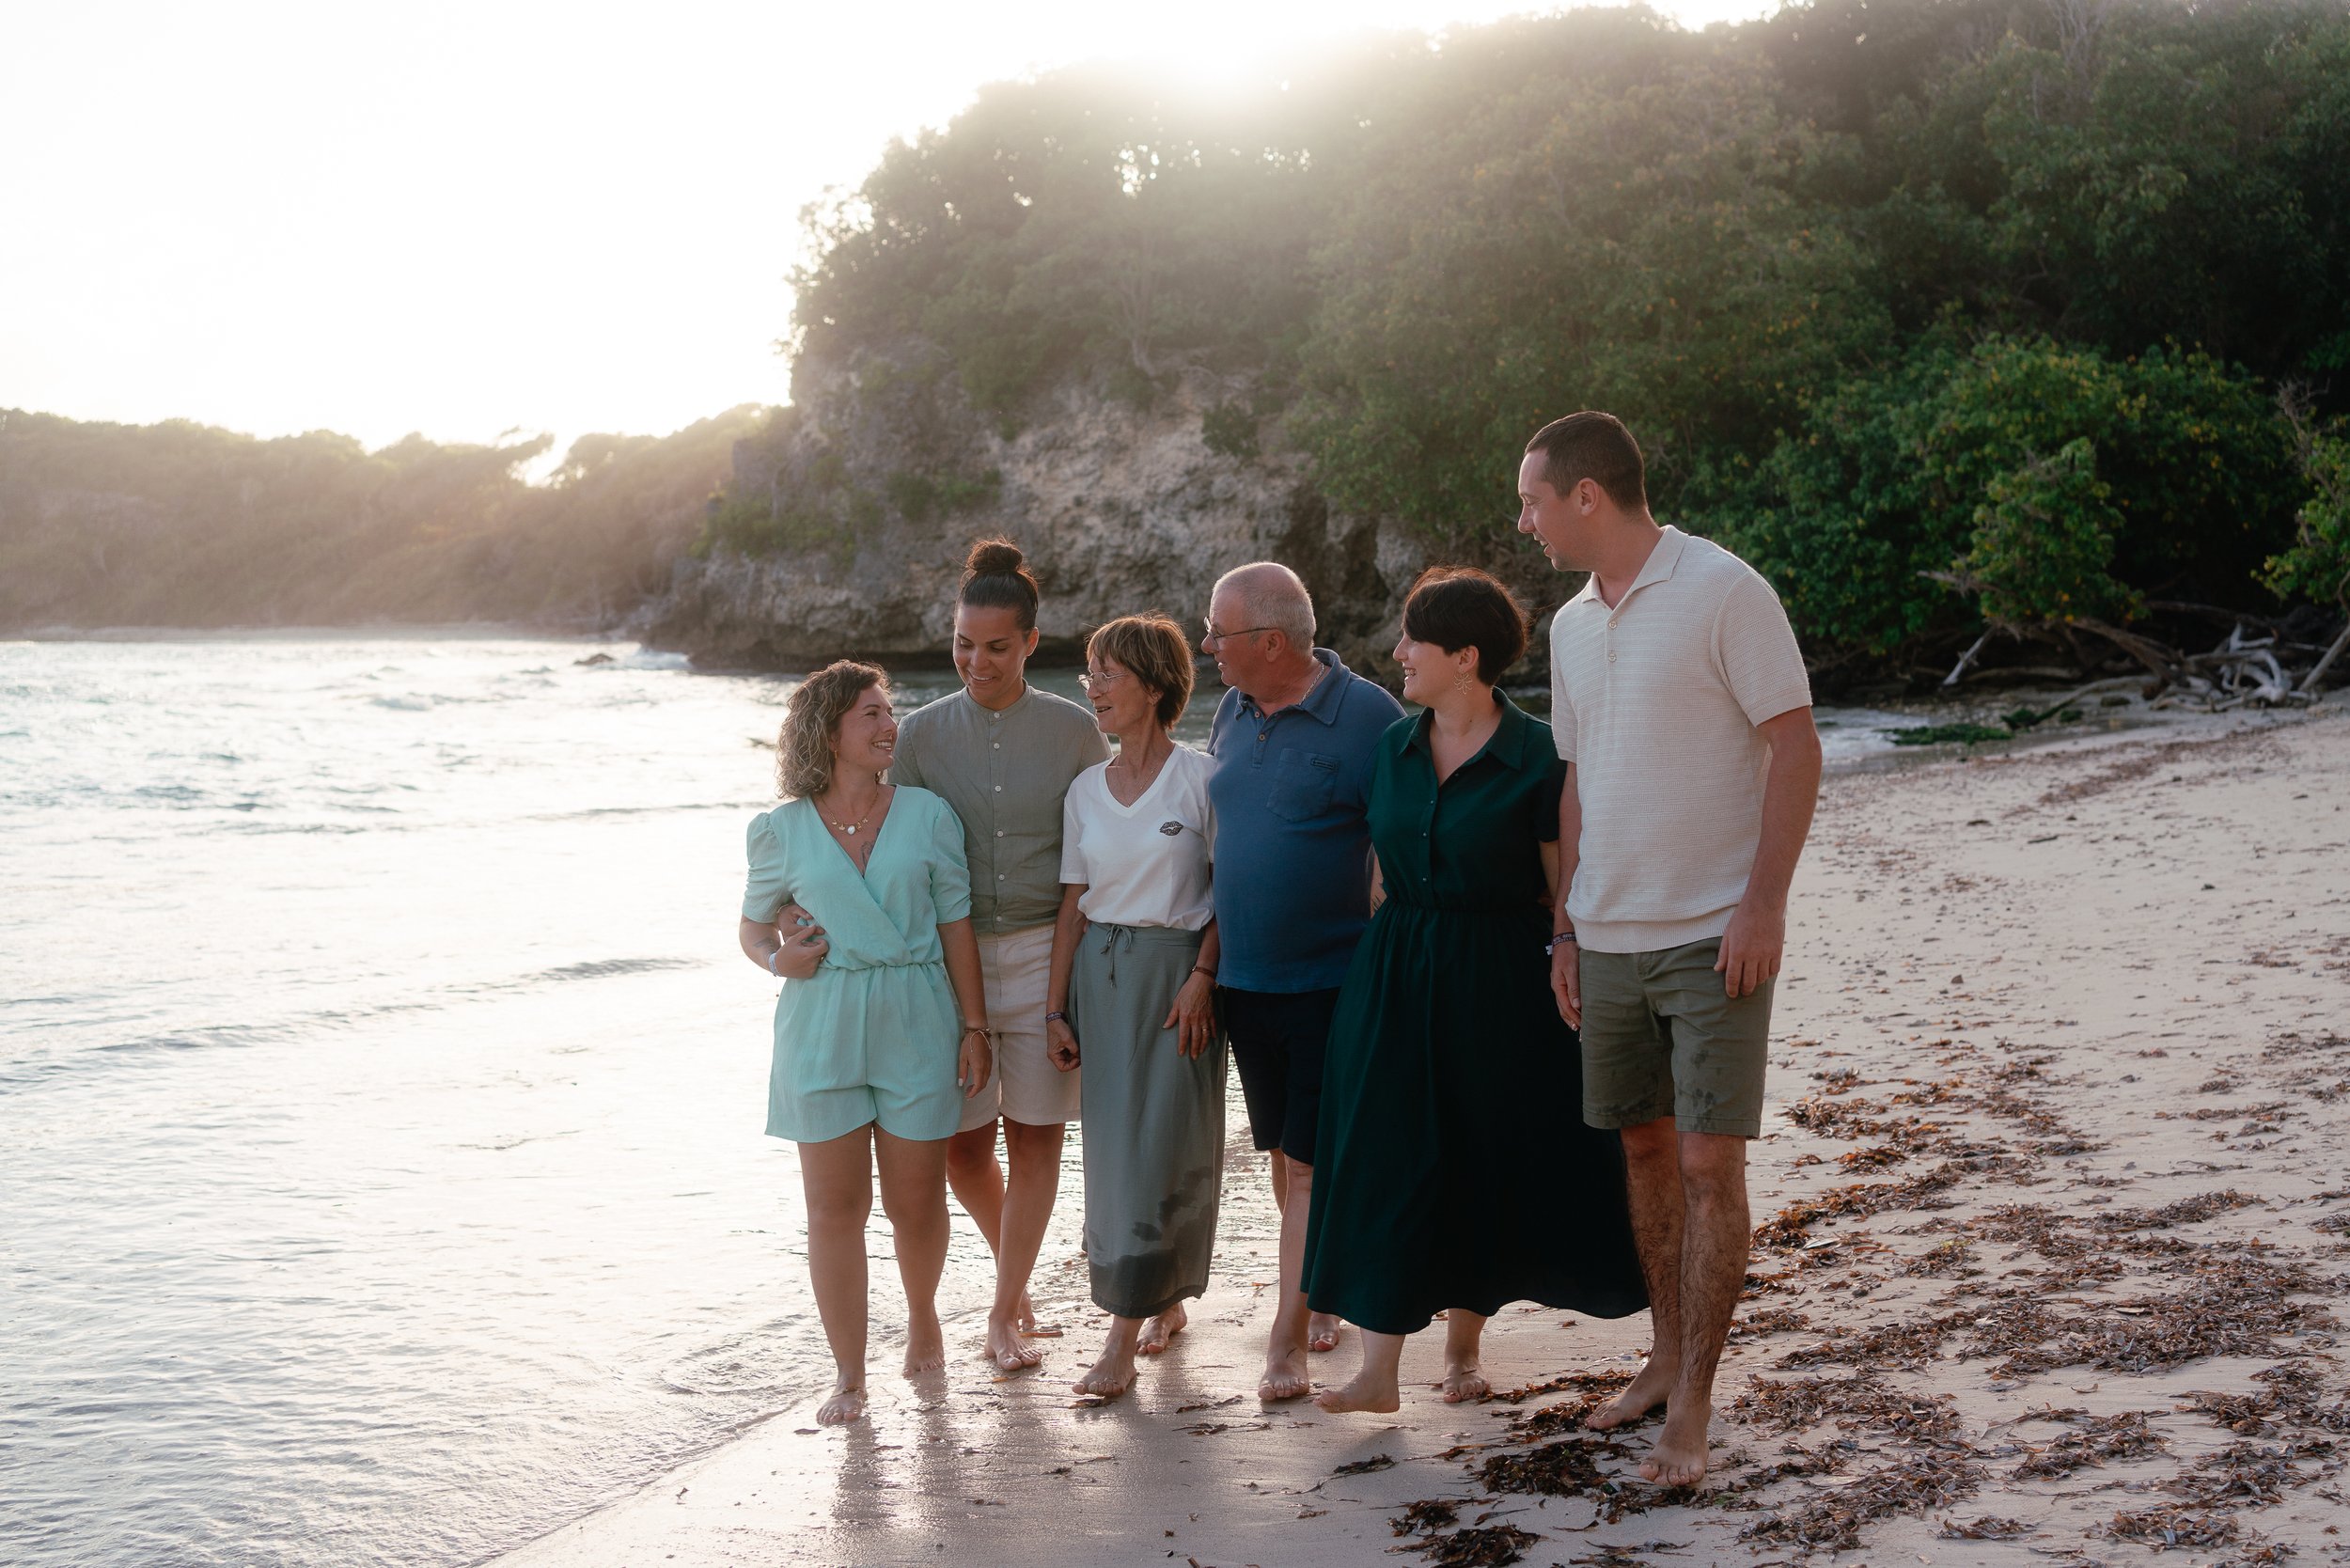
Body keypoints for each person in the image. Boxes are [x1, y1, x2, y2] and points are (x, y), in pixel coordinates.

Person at [1521, 411, 1822, 1486]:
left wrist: (1762, 906)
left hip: (1711, 932)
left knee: (1706, 1161)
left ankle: (1692, 1405)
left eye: (1533, 501)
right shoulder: (1566, 627)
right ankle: (1659, 1359)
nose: (1526, 522)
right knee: (1643, 1150)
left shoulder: (1724, 589)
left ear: (1586, 496)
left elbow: (1795, 743)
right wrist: (1563, 924)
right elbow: (1576, 776)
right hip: (1603, 936)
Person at [1304, 568, 1647, 1415]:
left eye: (1413, 639)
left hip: (1496, 972)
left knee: (1477, 1154)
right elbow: (1382, 870)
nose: (1398, 653)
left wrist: (1565, 948)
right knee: (1389, 1155)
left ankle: (1462, 1351)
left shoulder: (1536, 754)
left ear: (1464, 655)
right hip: (1395, 969)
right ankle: (1380, 1370)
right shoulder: (1394, 745)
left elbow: (1559, 879)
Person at [738, 662, 995, 1426]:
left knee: (916, 1201)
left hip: (917, 1012)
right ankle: (848, 1374)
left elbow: (956, 927)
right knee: (832, 1209)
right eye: (871, 715)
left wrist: (975, 1027)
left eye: (891, 712)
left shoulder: (927, 814)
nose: (890, 726)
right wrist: (775, 960)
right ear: (828, 733)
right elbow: (753, 927)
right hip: (820, 1022)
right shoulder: (777, 830)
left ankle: (923, 1316)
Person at [886, 540, 1108, 1372]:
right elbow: (886, 841)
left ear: (1030, 643)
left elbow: (1103, 848)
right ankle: (1018, 1289)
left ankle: (999, 1313)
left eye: (996, 646)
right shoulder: (917, 737)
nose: (976, 662)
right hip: (954, 967)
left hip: (1053, 956)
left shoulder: (1075, 731)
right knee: (964, 1149)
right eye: (963, 644)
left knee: (1037, 1136)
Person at [1200, 561, 1404, 1401]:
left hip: (1332, 978)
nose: (1206, 644)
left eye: (1219, 632)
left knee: (1316, 1164)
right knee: (1288, 1155)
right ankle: (1316, 1292)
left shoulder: (1369, 717)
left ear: (1271, 642)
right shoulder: (1228, 707)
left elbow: (1399, 847)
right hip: (1246, 981)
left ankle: (1285, 1339)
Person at [1042, 614, 1226, 1401]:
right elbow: (1072, 908)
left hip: (1176, 972)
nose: (1094, 689)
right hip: (1101, 974)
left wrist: (1205, 977)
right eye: (1090, 673)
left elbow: (1231, 892)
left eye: (1108, 673)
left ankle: (1124, 1332)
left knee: (1171, 1140)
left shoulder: (1204, 778)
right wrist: (1054, 1011)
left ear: (1154, 686)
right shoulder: (1085, 790)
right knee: (1116, 1152)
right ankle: (1153, 1302)